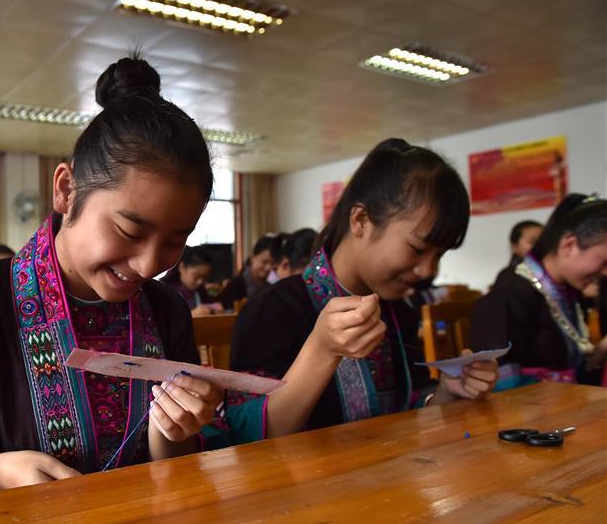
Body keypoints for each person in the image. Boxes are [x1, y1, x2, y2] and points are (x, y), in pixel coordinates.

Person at [0, 55, 235, 508]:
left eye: (177, 241)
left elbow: (175, 471)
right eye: (130, 231)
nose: (149, 265)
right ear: (66, 190)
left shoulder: (165, 310)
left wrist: (170, 432)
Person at [228, 138, 499, 436]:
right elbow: (246, 440)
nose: (428, 271)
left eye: (439, 255)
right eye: (418, 248)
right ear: (360, 220)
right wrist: (321, 350)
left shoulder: (397, 311)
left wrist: (449, 392)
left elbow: (408, 418)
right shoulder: (273, 309)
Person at [471, 194, 607, 386]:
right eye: (604, 262)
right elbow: (496, 378)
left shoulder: (568, 292)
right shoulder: (512, 293)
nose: (605, 273)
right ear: (569, 245)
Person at [160, 245, 221, 316]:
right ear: (182, 267)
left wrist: (214, 310)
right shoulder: (165, 291)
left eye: (205, 277)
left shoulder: (200, 291)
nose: (200, 282)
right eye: (196, 276)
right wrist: (192, 314)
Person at [219, 235, 274, 309]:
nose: (268, 268)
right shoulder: (235, 285)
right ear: (252, 258)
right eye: (264, 262)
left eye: (272, 263)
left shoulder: (271, 285)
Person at [492, 220, 543, 288]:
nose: (540, 245)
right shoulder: (509, 276)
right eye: (532, 241)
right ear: (515, 247)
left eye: (544, 240)